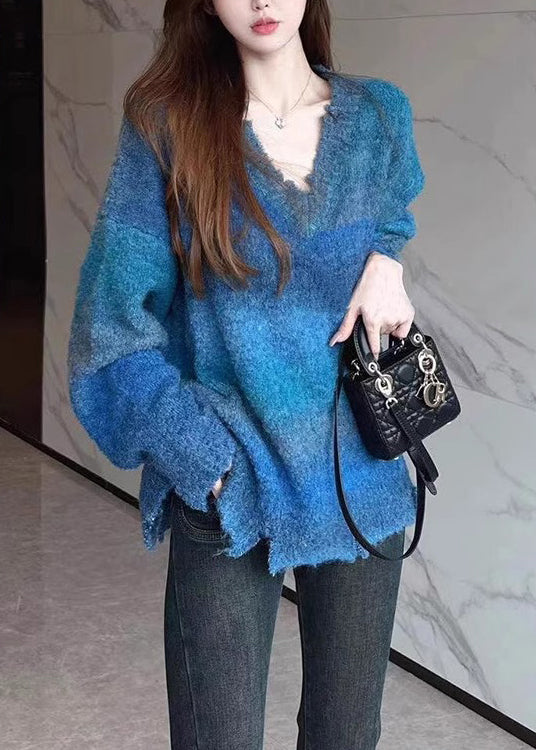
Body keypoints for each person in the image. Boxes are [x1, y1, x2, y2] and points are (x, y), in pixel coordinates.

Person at [67, 0, 426, 747]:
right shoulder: (169, 127)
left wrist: (388, 265)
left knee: (346, 734)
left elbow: (391, 220)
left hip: (361, 473)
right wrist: (203, 459)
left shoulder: (379, 117)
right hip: (232, 482)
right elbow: (110, 333)